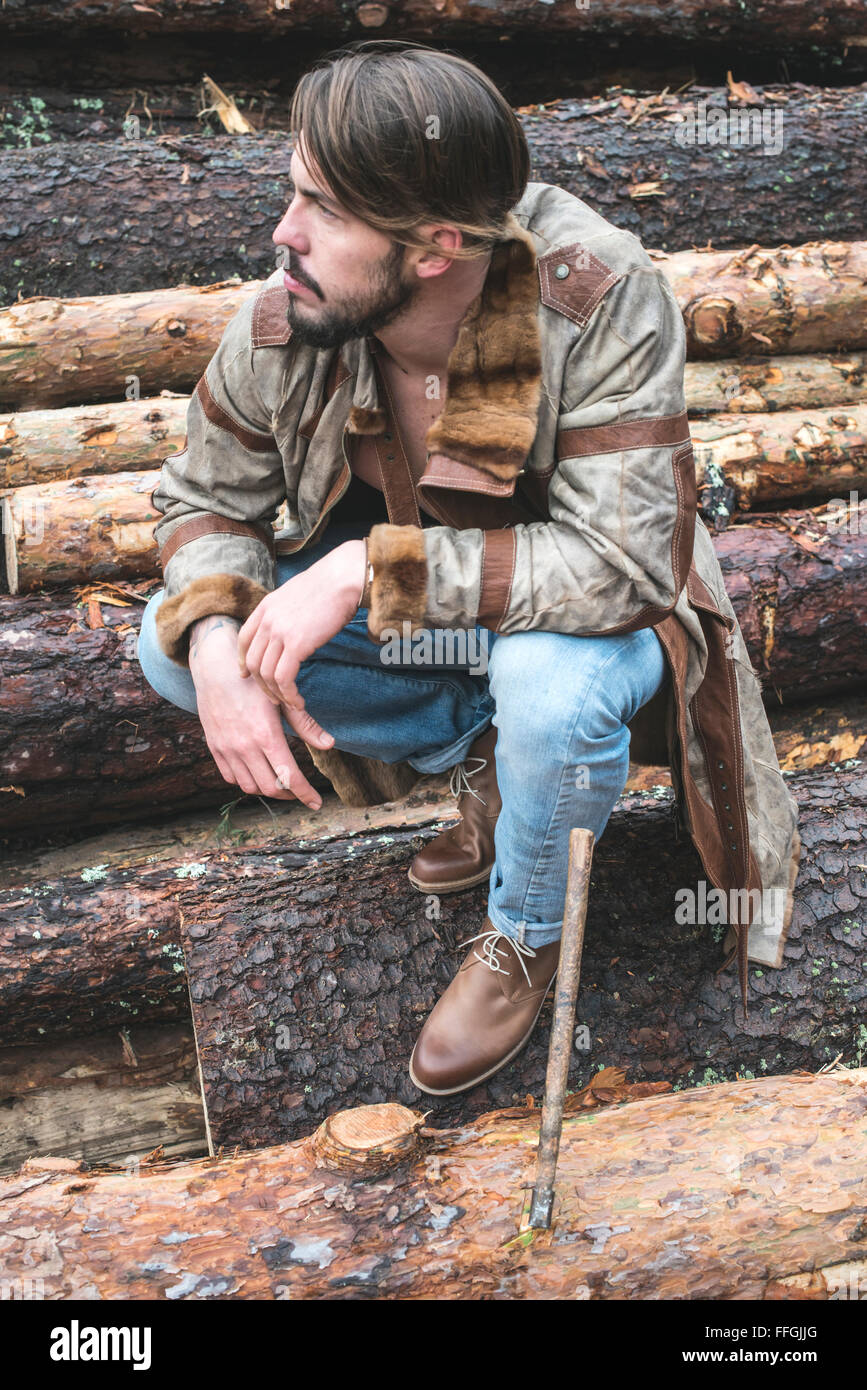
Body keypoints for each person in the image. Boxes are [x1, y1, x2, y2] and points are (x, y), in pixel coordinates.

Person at [138, 39, 800, 1097]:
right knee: (173, 649)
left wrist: (365, 568)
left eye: (323, 208)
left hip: (599, 623)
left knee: (547, 685)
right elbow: (203, 498)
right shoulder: (297, 307)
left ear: (435, 247)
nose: (284, 233)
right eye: (292, 192)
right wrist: (218, 639)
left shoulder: (597, 296)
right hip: (454, 624)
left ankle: (525, 935)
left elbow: (622, 566)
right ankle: (481, 762)